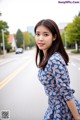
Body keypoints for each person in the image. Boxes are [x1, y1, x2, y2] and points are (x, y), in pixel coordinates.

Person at [34, 19, 80, 120]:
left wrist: (77, 117)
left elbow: (66, 92)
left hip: (63, 110)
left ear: (54, 37)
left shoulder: (54, 60)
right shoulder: (46, 57)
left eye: (46, 34)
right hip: (53, 106)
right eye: (38, 34)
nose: (40, 38)